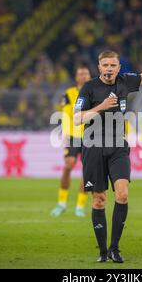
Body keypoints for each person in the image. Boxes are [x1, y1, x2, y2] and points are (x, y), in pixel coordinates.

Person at [73, 47, 142, 263]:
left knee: (122, 195)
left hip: (118, 148)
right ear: (99, 67)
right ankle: (102, 252)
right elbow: (76, 119)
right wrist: (101, 106)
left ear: (119, 67)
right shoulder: (89, 88)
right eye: (105, 65)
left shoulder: (125, 81)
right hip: (93, 148)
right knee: (99, 200)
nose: (109, 69)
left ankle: (115, 248)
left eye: (113, 65)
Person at [51, 66, 91, 217]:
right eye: (80, 74)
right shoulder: (69, 93)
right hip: (73, 135)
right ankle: (61, 203)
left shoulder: (95, 92)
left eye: (86, 74)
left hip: (90, 136)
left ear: (89, 76)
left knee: (87, 172)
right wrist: (66, 134)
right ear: (76, 77)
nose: (83, 76)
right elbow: (66, 115)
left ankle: (79, 206)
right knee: (68, 166)